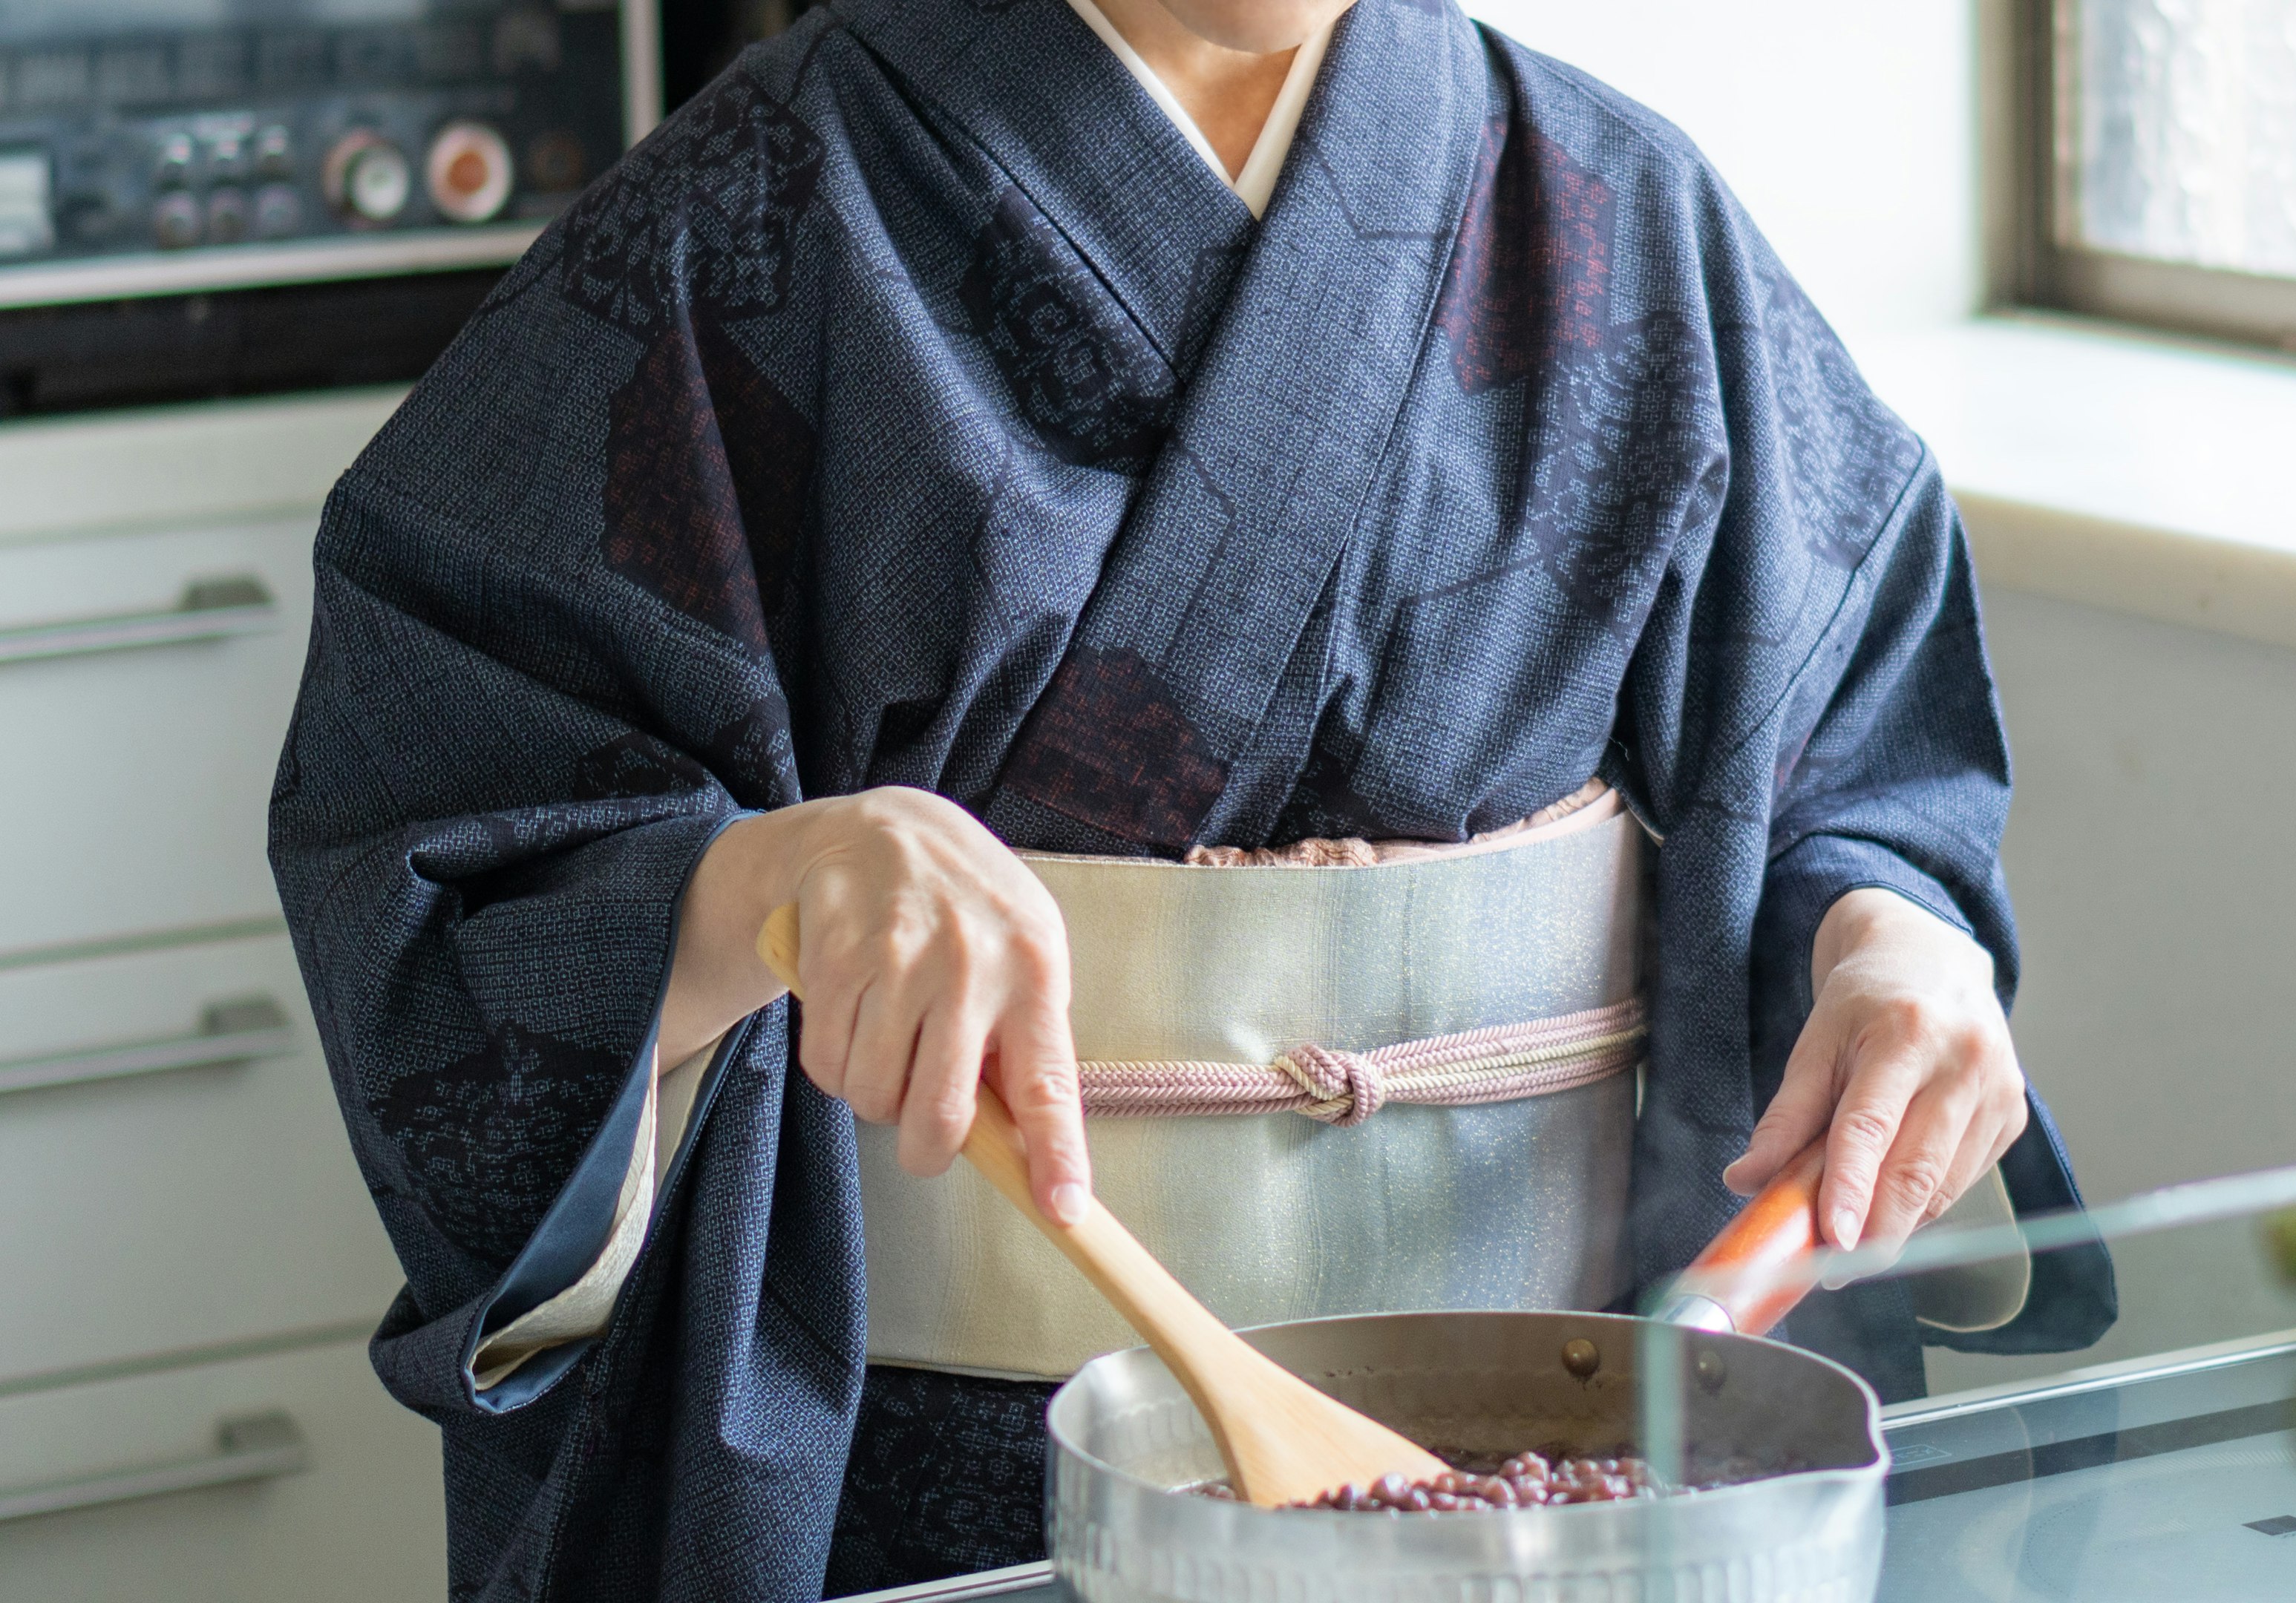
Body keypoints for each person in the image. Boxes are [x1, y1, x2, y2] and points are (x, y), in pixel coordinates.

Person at [269, 0, 2114, 1596]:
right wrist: (775, 878)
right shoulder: (760, 216)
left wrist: (1888, 933)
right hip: (948, 1471)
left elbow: (1843, 738)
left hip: (1545, 1442)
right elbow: (448, 810)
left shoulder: (1621, 216)